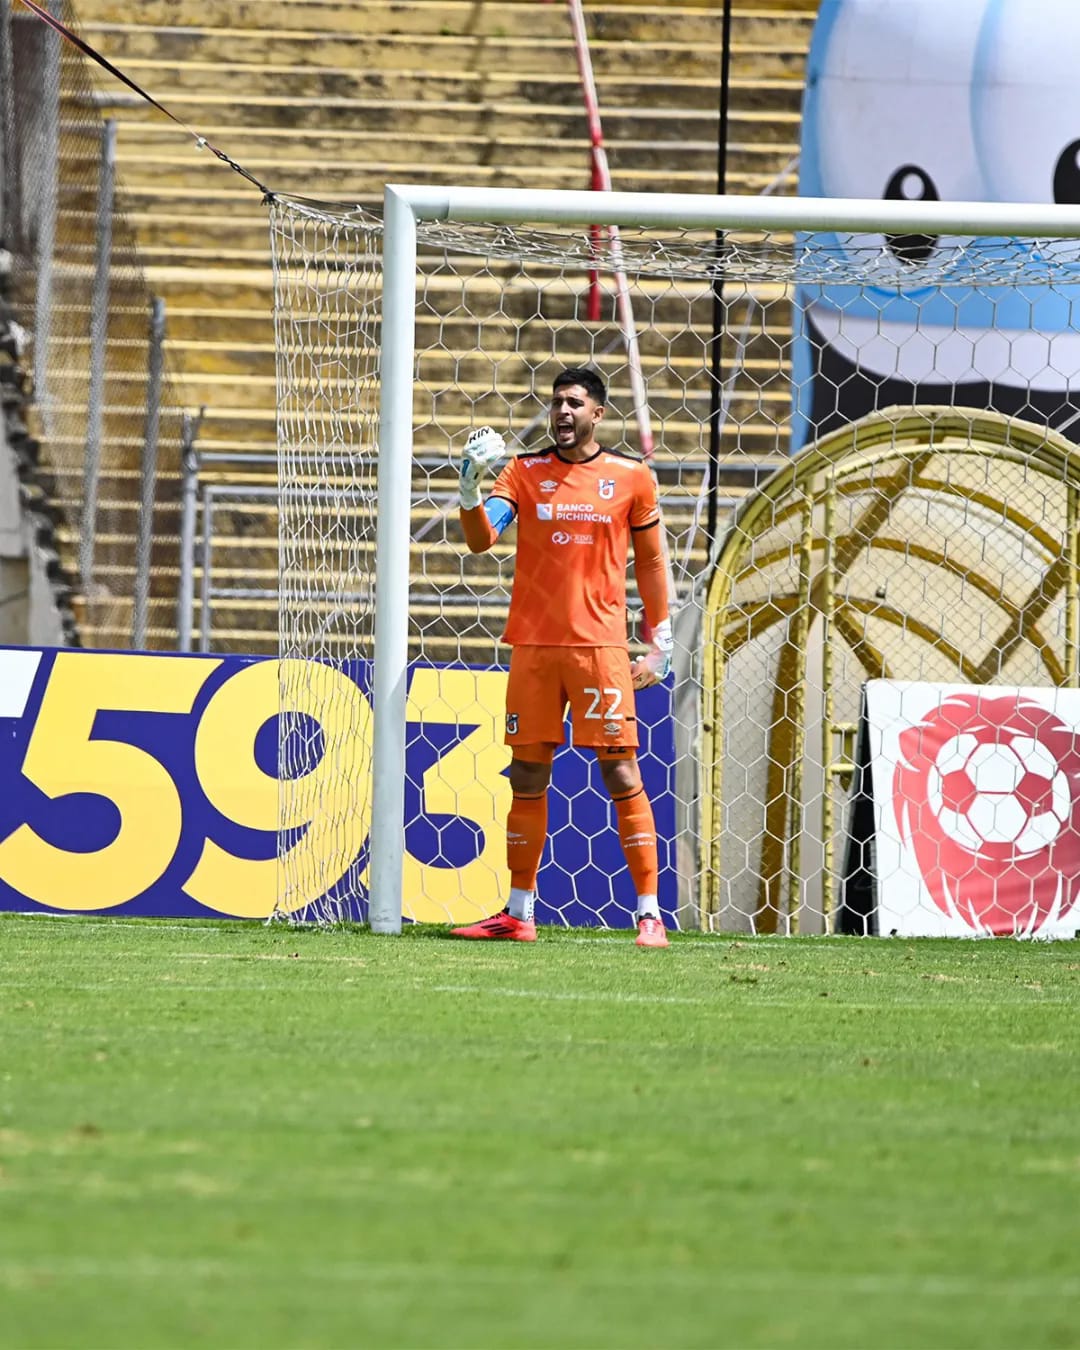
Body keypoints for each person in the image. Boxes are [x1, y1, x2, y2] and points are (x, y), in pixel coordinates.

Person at [450, 367, 674, 948]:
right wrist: (470, 488)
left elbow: (650, 564)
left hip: (600, 648)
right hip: (534, 647)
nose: (563, 412)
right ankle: (517, 912)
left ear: (598, 413)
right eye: (556, 403)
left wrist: (662, 641)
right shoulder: (524, 473)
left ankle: (649, 914)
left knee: (620, 769)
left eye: (575, 403)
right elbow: (482, 539)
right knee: (527, 773)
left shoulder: (631, 478)